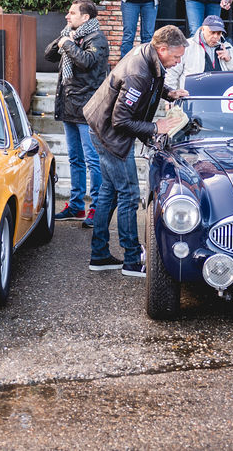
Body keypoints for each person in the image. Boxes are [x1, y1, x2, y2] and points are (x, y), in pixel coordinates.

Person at [83, 25, 189, 277]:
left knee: (109, 192)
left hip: (104, 129)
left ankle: (99, 255)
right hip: (110, 135)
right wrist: (156, 127)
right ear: (162, 49)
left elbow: (153, 83)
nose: (178, 62)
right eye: (176, 57)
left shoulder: (148, 54)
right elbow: (120, 120)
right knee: (129, 194)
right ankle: (132, 259)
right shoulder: (138, 73)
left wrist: (169, 93)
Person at [44, 0, 109, 227]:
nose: (67, 16)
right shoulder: (70, 35)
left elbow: (86, 62)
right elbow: (49, 55)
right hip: (69, 106)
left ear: (86, 17)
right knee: (75, 159)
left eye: (72, 13)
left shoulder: (97, 39)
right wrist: (63, 40)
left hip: (87, 109)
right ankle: (76, 206)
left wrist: (67, 44)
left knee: (93, 161)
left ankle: (97, 209)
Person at [164, 14, 233, 91]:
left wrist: (229, 60)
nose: (216, 36)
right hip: (192, 96)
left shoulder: (227, 47)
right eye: (212, 32)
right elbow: (172, 73)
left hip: (221, 95)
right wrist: (171, 96)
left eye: (219, 33)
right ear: (203, 29)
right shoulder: (187, 46)